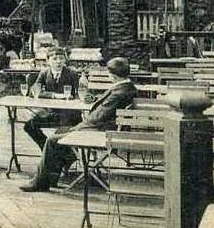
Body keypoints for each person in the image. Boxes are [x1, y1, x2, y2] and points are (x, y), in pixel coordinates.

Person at [20, 57, 137, 192]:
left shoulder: (120, 91)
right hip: (106, 129)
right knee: (61, 132)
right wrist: (95, 100)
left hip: (103, 132)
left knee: (53, 140)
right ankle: (52, 177)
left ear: (113, 75)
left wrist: (79, 126)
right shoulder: (126, 87)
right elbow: (106, 108)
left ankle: (40, 182)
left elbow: (97, 118)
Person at [22, 47, 82, 151]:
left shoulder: (72, 74)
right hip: (51, 113)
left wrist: (75, 98)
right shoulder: (45, 73)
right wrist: (54, 95)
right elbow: (35, 92)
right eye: (54, 58)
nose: (58, 61)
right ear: (48, 61)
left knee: (61, 134)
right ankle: (47, 149)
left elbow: (79, 95)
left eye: (61, 58)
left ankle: (61, 156)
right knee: (29, 126)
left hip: (69, 115)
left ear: (65, 60)